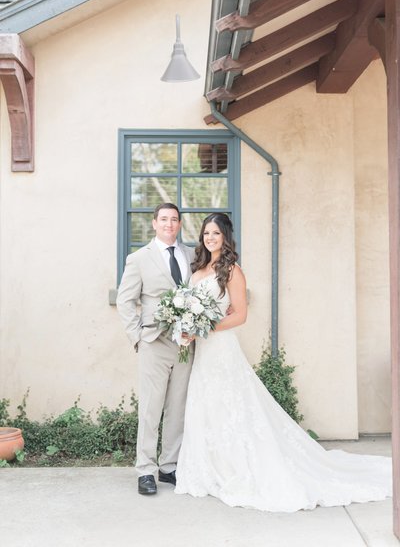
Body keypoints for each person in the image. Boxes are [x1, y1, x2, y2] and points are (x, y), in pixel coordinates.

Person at [175, 213, 392, 512]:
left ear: (225, 236)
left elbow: (240, 315)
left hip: (222, 349)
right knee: (206, 405)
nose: (210, 238)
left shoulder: (232, 270)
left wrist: (205, 327)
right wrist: (187, 330)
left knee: (232, 406)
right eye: (206, 233)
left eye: (216, 233)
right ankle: (211, 468)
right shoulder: (198, 268)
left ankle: (238, 468)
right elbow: (190, 307)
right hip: (203, 353)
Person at [117, 203, 194, 496]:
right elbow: (125, 301)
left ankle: (169, 467)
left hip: (185, 345)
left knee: (177, 408)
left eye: (174, 220)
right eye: (164, 219)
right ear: (154, 223)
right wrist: (136, 337)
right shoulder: (138, 259)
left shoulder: (191, 255)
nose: (169, 224)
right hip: (153, 343)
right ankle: (145, 470)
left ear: (179, 224)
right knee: (151, 409)